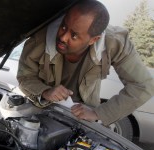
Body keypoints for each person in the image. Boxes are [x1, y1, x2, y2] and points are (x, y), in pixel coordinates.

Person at [16, 0, 154, 126]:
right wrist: (45, 92)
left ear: (94, 40)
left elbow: (144, 85)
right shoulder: (40, 38)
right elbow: (25, 77)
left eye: (74, 35)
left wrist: (98, 114)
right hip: (44, 108)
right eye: (64, 27)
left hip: (86, 114)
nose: (63, 37)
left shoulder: (116, 44)